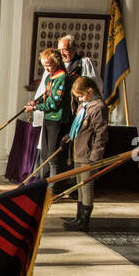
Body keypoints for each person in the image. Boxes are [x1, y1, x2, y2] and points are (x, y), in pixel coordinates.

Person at [62, 76, 108, 232]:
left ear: (90, 90)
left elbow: (101, 135)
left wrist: (95, 157)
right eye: (77, 97)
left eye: (81, 95)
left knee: (86, 187)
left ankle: (84, 220)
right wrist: (69, 136)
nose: (79, 99)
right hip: (78, 151)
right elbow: (77, 126)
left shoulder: (98, 107)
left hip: (88, 154)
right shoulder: (84, 106)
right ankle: (78, 216)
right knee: (79, 186)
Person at [25, 48, 74, 186]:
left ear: (57, 62)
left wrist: (35, 108)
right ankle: (41, 185)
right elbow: (46, 94)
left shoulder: (62, 77)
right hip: (48, 119)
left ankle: (53, 188)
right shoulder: (49, 76)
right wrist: (36, 101)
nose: (46, 68)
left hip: (57, 120)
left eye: (49, 65)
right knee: (45, 154)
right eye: (45, 65)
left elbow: (54, 103)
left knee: (53, 156)